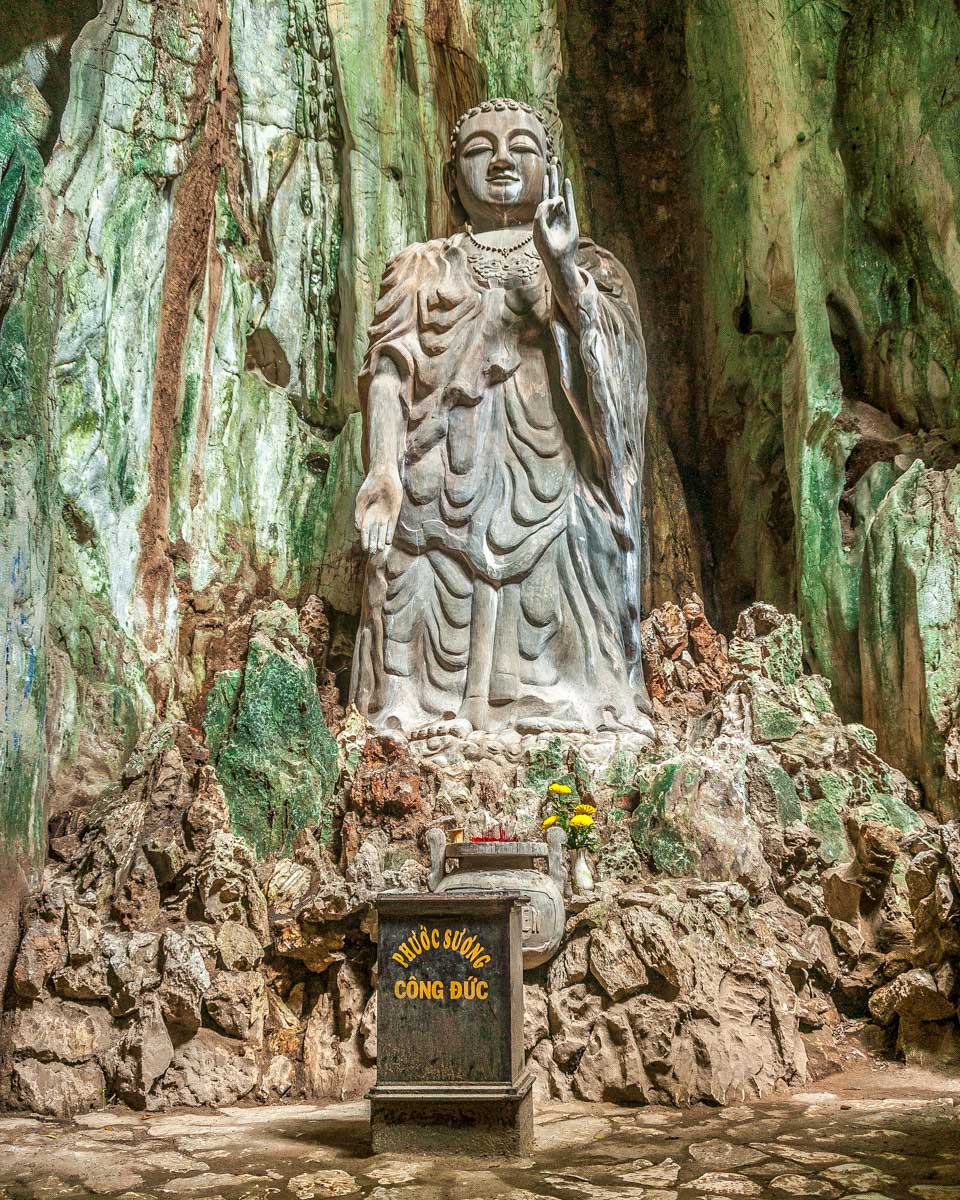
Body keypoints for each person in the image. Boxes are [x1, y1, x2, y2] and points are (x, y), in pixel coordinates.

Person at [349, 98, 653, 746]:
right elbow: (390, 373)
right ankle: (412, 710)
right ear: (454, 174)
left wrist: (563, 266)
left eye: (522, 145)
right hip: (440, 472)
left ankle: (560, 703)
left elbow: (613, 372)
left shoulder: (589, 263)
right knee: (408, 554)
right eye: (481, 148)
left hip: (549, 471)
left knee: (582, 537)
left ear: (552, 169)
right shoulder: (420, 266)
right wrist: (383, 468)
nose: (503, 158)